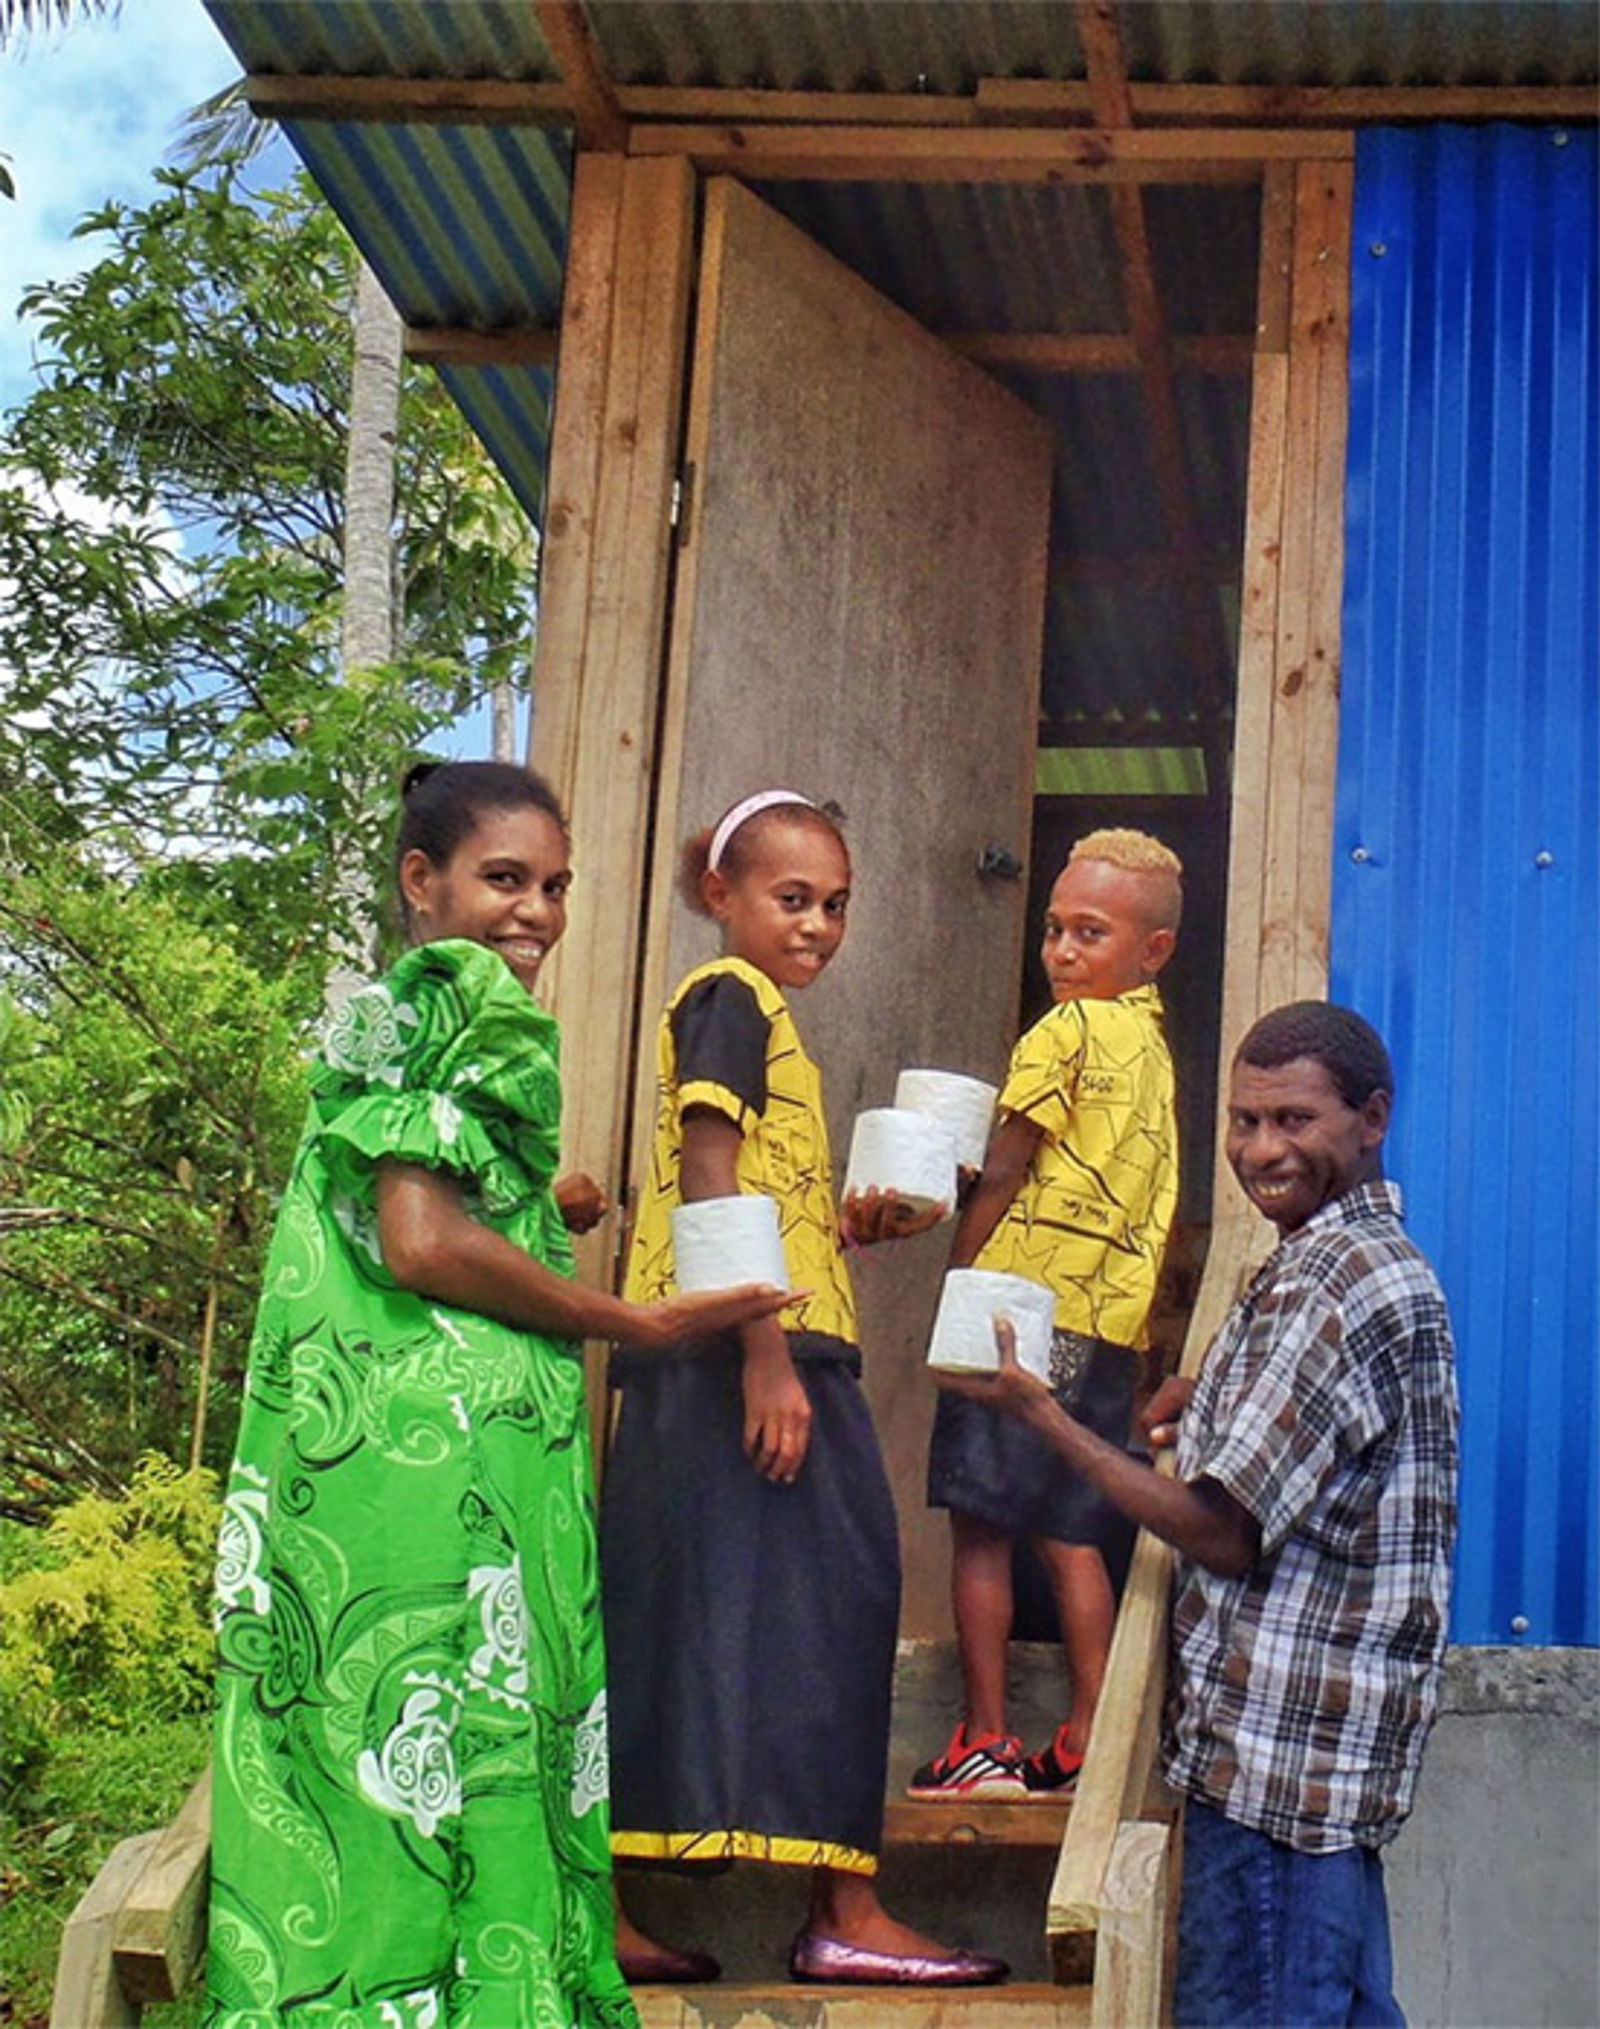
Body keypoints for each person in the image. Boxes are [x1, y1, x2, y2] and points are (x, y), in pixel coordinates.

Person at [206, 761, 790, 2029]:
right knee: (470, 1750)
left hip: (354, 1460)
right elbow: (421, 1239)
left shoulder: (382, 1009)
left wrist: (546, 1208)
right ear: (422, 883)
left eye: (555, 885)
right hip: (456, 1470)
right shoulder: (470, 996)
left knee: (359, 1762)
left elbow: (397, 1205)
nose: (535, 912)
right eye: (504, 879)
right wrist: (623, 1316)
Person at [957, 1000, 1460, 2027]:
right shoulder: (1323, 1264)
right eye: (1243, 1121)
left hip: (1279, 1775)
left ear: (1372, 1118)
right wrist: (1215, 1397)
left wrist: (1045, 1416)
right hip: (1305, 1779)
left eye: (1293, 1119)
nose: (1261, 1149)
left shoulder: (1340, 1280)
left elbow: (1220, 1527)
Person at [599, 788, 1007, 1989]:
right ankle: (841, 1909)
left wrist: (843, 1228)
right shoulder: (730, 996)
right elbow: (708, 1169)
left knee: (693, 1609)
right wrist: (767, 1353)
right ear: (719, 897)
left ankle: (648, 1899)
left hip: (739, 1341)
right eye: (792, 898)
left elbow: (751, 1185)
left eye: (835, 904)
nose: (818, 924)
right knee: (836, 1592)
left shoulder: (757, 1013)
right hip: (742, 1353)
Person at [910, 828, 1183, 1801]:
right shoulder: (1153, 1057)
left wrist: (958, 1276)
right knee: (1072, 1529)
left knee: (984, 1526)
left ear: (1150, 951)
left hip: (1013, 1311)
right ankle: (1087, 1736)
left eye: (1090, 932)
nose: (1063, 951)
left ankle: (984, 1737)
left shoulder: (1060, 1034)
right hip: (1103, 1328)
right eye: (1055, 929)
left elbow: (1009, 1165)